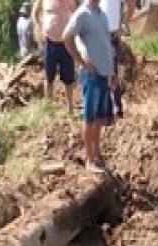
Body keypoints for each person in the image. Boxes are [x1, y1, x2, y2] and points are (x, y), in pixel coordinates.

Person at [63, 0, 116, 172]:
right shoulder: (82, 13)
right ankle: (89, 159)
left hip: (104, 74)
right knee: (90, 117)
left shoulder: (101, 15)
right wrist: (82, 62)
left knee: (99, 118)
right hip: (91, 74)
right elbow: (67, 36)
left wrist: (112, 71)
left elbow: (106, 45)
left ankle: (97, 154)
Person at [32, 0, 77, 114]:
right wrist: (39, 27)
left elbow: (76, 13)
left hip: (66, 43)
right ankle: (49, 108)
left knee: (68, 78)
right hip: (50, 43)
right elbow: (35, 12)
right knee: (49, 77)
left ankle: (70, 108)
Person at [99, 0, 135, 119]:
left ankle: (116, 107)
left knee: (111, 72)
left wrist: (123, 26)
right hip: (98, 33)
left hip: (112, 34)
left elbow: (131, 4)